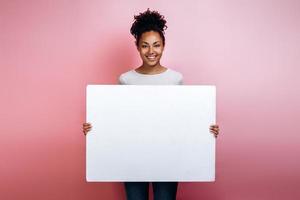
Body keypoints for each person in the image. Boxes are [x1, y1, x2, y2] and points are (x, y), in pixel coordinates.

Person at [83, 8, 220, 200]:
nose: (151, 51)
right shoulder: (126, 79)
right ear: (138, 47)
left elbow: (184, 120)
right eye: (145, 46)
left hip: (168, 158)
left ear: (163, 46)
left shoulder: (175, 79)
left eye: (156, 45)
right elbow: (117, 120)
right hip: (132, 158)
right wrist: (94, 130)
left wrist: (206, 130)